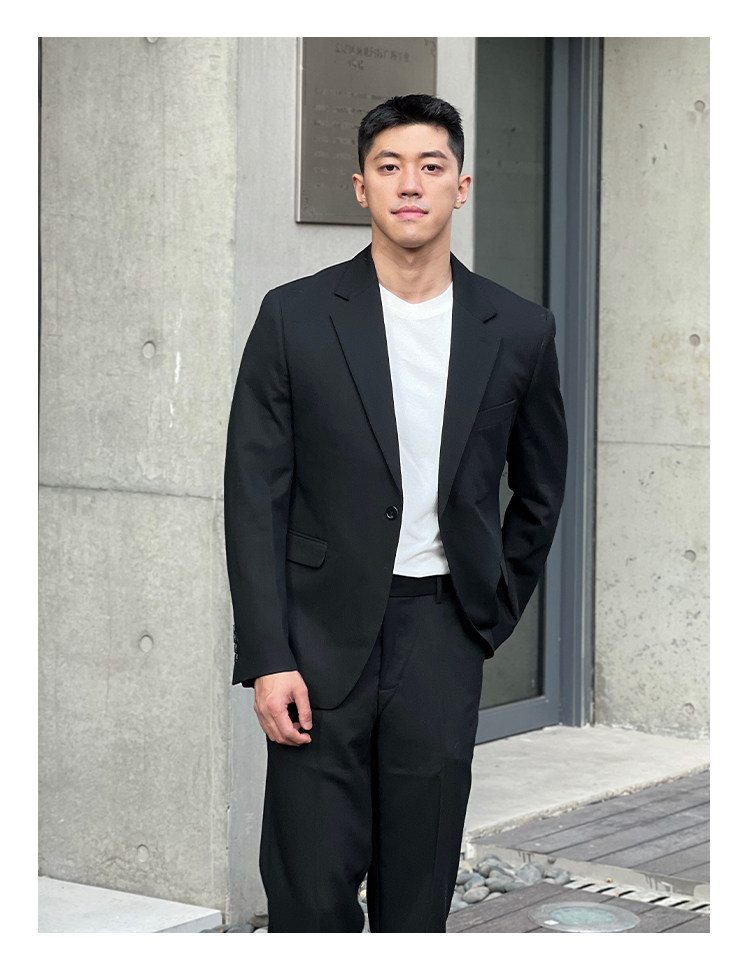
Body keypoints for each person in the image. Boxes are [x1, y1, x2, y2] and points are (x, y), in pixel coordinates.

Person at [224, 93, 567, 933]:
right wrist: (268, 655)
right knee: (308, 894)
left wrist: (486, 616)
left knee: (418, 895)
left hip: (440, 632)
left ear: (461, 186)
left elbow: (541, 489)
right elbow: (254, 494)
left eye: (430, 165)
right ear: (361, 187)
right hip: (315, 641)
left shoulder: (519, 329)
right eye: (389, 166)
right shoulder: (294, 316)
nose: (410, 183)